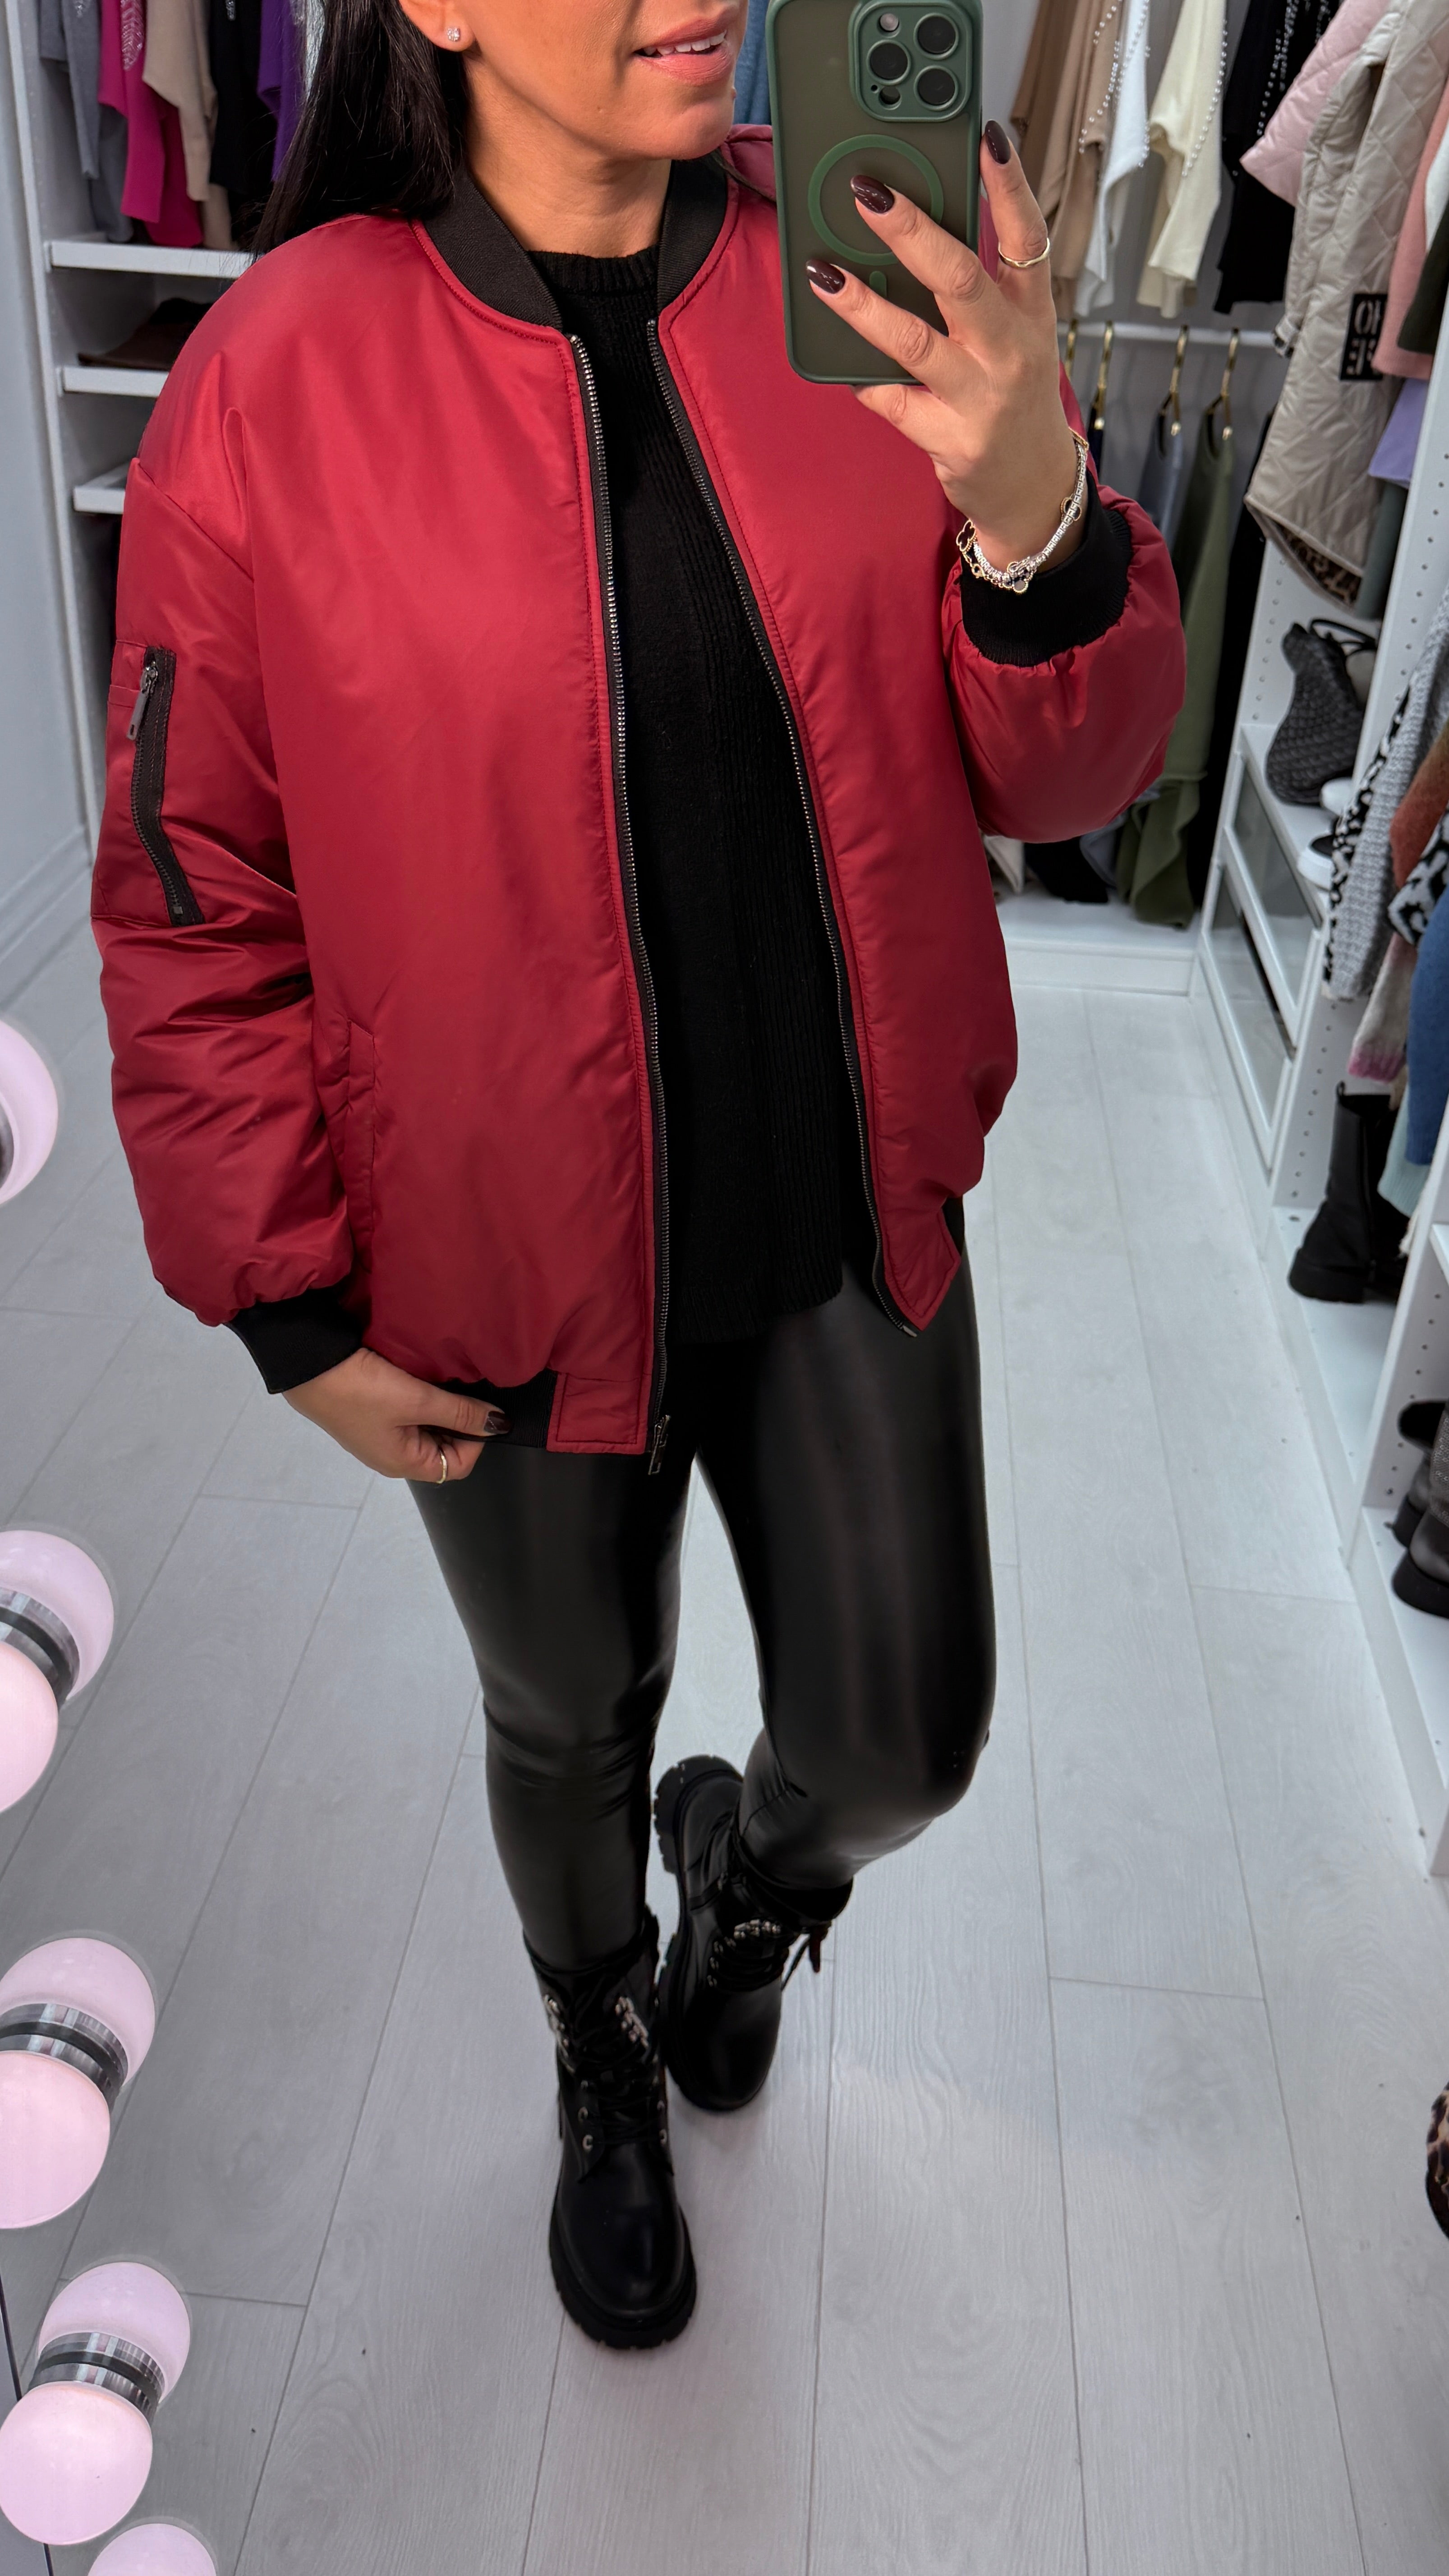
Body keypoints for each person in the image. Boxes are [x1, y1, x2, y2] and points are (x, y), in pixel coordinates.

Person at [93, 0, 1182, 2349]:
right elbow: (194, 881)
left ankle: (752, 1900)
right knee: (568, 1713)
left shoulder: (868, 270)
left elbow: (1072, 779)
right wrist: (281, 1293)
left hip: (838, 1204)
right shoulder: (277, 379)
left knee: (903, 1737)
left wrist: (1033, 508)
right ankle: (599, 2046)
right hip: (497, 1257)